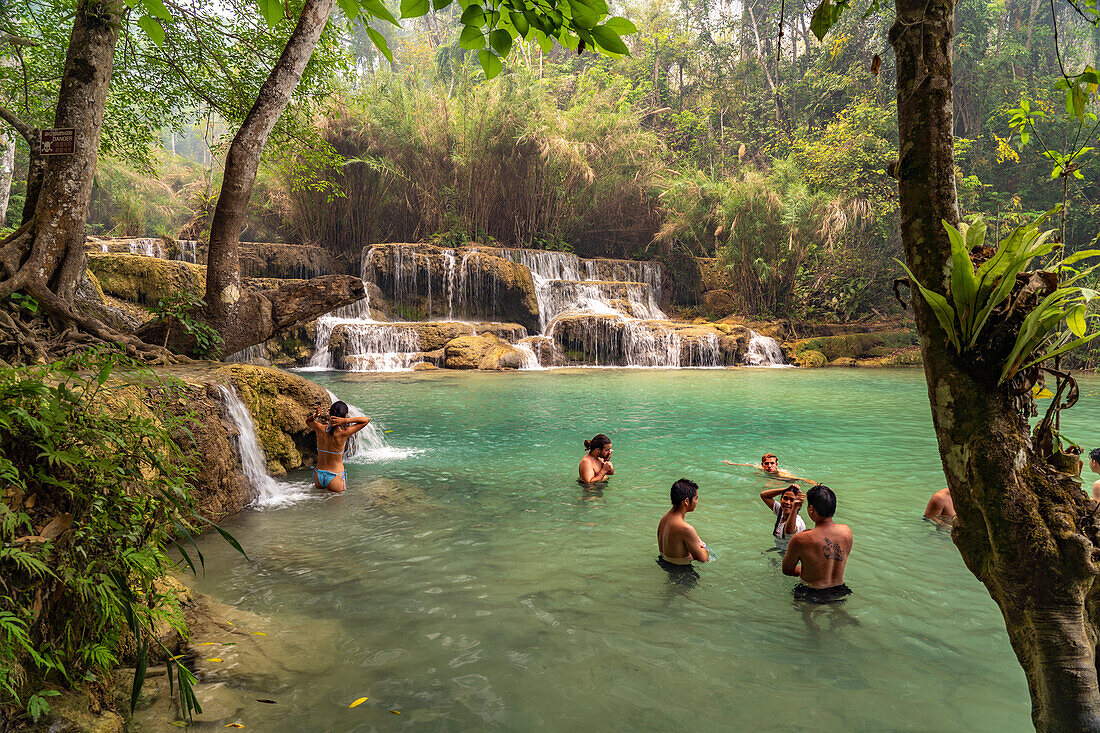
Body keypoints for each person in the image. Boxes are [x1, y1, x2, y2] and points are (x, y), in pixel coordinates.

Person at [782, 485, 852, 603]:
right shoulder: (846, 531)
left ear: (811, 509)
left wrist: (804, 570)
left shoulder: (801, 539)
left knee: (808, 619)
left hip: (811, 592)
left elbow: (787, 570)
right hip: (839, 590)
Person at [305, 401, 372, 493]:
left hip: (319, 474)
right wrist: (346, 421)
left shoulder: (320, 429)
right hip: (335, 476)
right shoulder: (343, 433)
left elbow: (308, 421)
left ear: (330, 415)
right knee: (339, 506)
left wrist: (316, 415)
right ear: (344, 416)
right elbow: (366, 420)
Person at [657, 478, 709, 568]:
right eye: (696, 499)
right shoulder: (686, 529)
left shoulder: (664, 519)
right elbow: (703, 559)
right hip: (681, 572)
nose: (697, 502)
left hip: (663, 564)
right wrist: (703, 546)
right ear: (686, 501)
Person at [761, 485, 806, 550]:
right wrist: (786, 489)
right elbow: (764, 495)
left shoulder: (797, 521)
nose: (787, 502)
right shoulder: (781, 512)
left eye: (792, 500)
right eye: (785, 498)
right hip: (780, 550)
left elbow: (789, 531)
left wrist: (795, 506)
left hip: (791, 556)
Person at [723, 452, 812, 484]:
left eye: (772, 463)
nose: (769, 466)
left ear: (776, 464)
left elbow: (798, 479)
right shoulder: (762, 468)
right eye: (766, 463)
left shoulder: (782, 474)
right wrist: (731, 464)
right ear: (762, 464)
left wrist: (811, 483)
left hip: (781, 479)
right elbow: (749, 465)